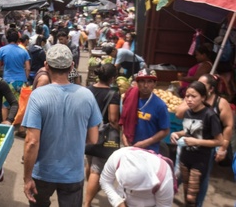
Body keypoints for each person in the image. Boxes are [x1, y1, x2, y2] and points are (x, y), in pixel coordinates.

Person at [22, 44, 101, 207]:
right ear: (72, 66)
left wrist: (27, 178)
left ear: (46, 66)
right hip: (73, 174)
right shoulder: (87, 95)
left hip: (42, 174)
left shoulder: (37, 96)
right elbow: (93, 138)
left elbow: (31, 142)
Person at [175, 74, 233, 207]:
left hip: (205, 150)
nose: (198, 85)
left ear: (210, 89)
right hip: (187, 149)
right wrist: (190, 101)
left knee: (201, 180)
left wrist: (222, 148)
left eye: (202, 84)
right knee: (180, 176)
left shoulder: (218, 105)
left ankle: (197, 203)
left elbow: (228, 126)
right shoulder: (191, 103)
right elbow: (179, 114)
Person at [85, 63, 120, 207]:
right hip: (103, 136)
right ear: (112, 78)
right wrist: (118, 129)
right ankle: (87, 203)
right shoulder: (113, 94)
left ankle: (89, 190)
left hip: (87, 132)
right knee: (97, 169)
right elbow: (112, 119)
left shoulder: (88, 90)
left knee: (90, 162)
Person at [100, 147, 175, 207]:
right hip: (122, 199)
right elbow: (105, 181)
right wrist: (118, 202)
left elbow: (164, 205)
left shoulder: (164, 176)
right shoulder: (117, 157)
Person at [120, 68, 170, 153]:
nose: (146, 85)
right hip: (129, 147)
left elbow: (165, 130)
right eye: (142, 81)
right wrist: (124, 135)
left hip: (149, 151)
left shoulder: (160, 105)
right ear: (137, 83)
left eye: (150, 81)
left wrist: (146, 143)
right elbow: (125, 119)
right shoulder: (130, 99)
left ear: (155, 84)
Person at [0, 28, 31, 134]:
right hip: (21, 81)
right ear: (18, 39)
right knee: (21, 105)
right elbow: (28, 68)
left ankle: (4, 127)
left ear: (7, 38)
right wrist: (25, 78)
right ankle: (21, 128)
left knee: (5, 104)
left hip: (7, 81)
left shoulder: (2, 50)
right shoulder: (23, 50)